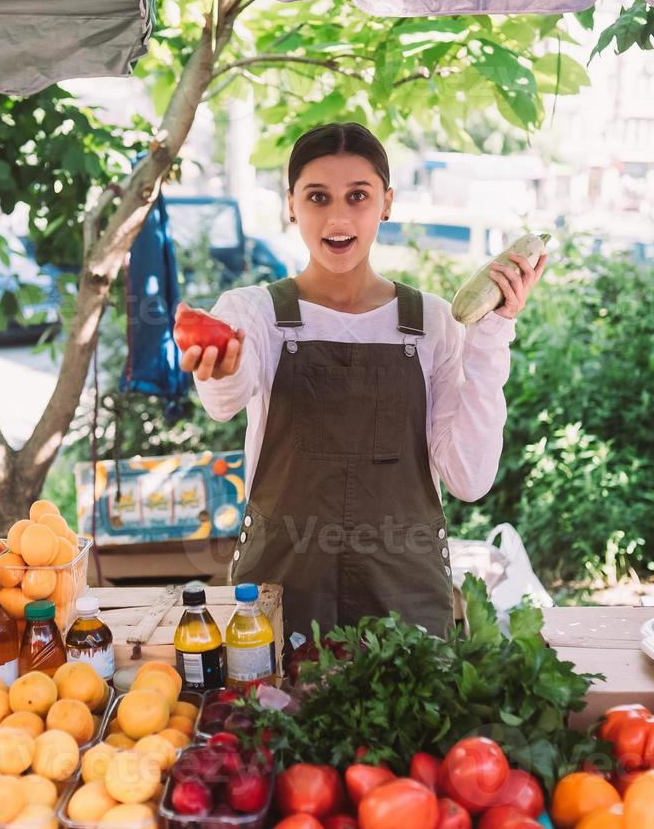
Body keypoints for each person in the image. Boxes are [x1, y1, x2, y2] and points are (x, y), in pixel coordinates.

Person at [178, 122, 545, 645]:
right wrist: (220, 368)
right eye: (317, 197)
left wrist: (493, 335)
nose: (338, 217)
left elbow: (469, 479)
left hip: (406, 596)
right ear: (291, 205)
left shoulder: (433, 323)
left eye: (358, 196)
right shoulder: (254, 313)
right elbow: (224, 401)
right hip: (283, 590)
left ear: (386, 202)